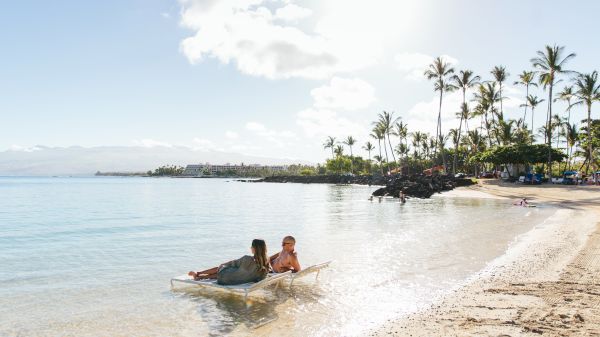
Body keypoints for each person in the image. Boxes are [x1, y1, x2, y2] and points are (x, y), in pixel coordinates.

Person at [188, 239, 270, 285]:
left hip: (224, 280)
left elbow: (232, 263)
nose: (250, 247)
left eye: (252, 246)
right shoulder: (266, 264)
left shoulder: (247, 259)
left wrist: (223, 264)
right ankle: (200, 277)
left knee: (222, 268)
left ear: (254, 248)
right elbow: (261, 278)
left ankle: (198, 273)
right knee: (231, 272)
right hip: (239, 280)